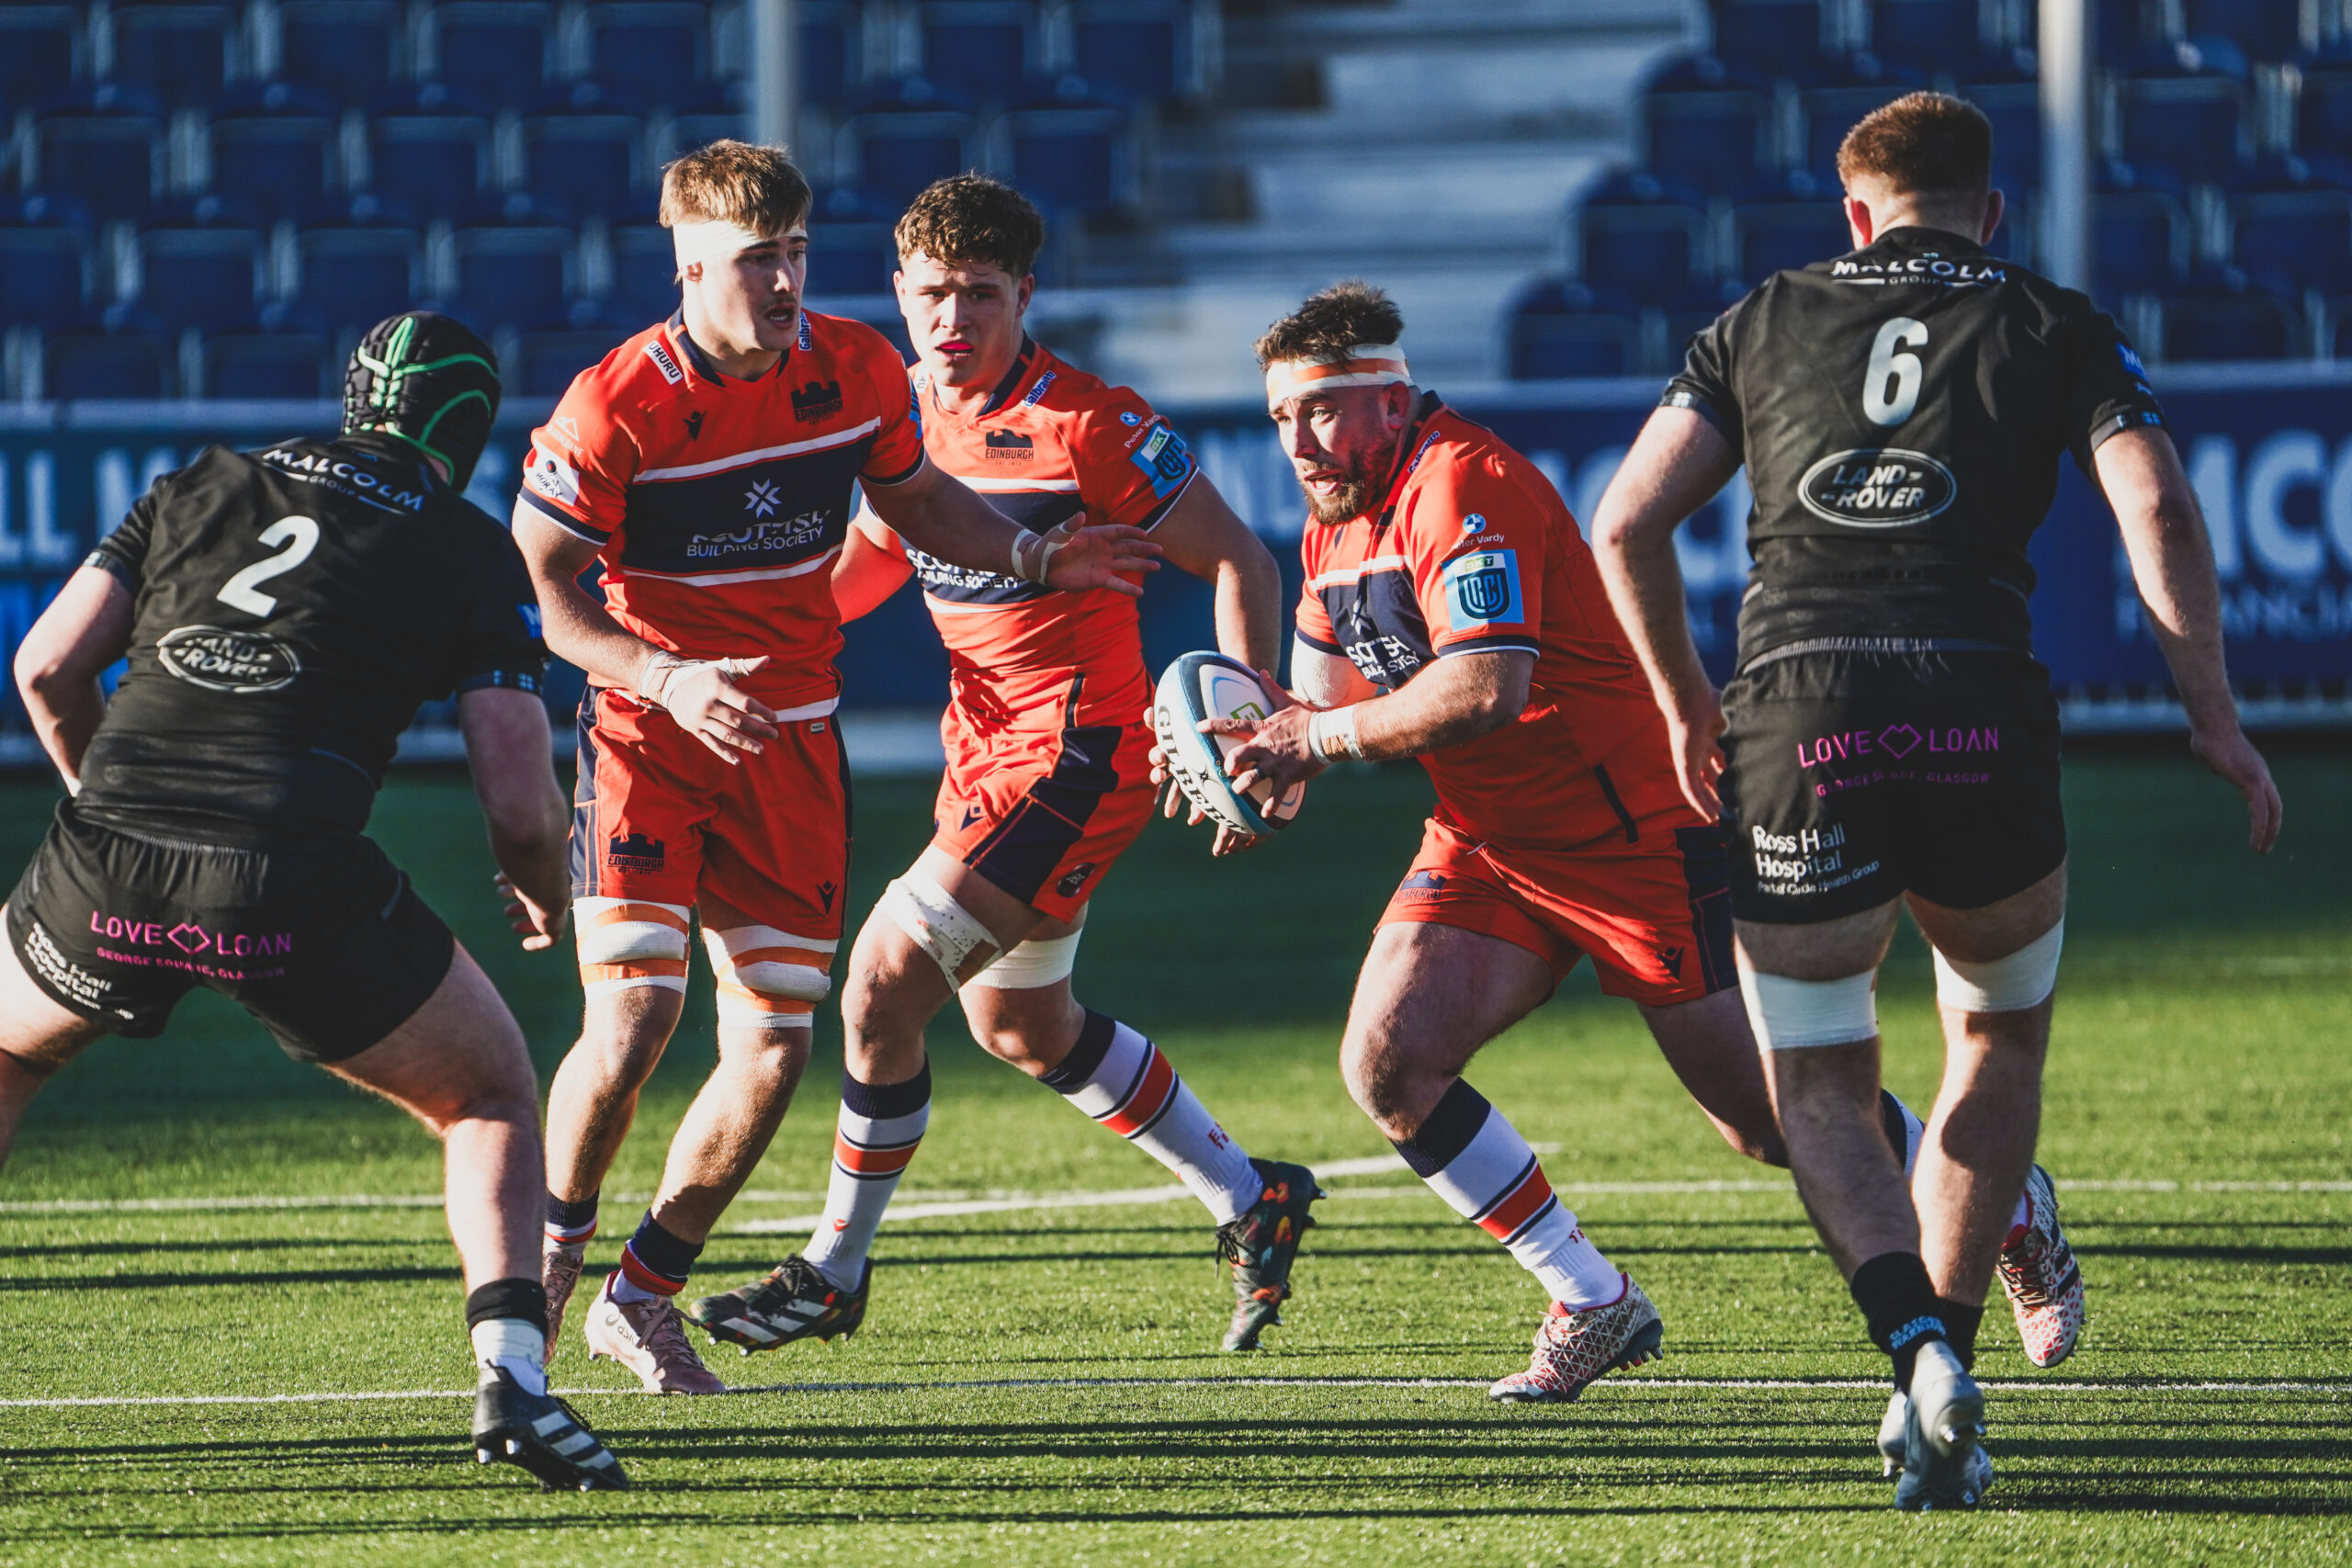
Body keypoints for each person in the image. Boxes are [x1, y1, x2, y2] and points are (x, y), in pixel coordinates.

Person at [1588, 92, 2280, 1508]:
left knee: (1821, 1078)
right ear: (1992, 211)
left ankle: (1912, 1348)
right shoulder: (2054, 319)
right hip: (1980, 704)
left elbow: (1627, 518)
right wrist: (2213, 715)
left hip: (1803, 710)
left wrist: (1682, 700)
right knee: (1996, 1036)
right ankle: (1953, 1349)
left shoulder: (1762, 315)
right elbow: (2155, 504)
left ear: (1855, 213)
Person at [1166, 280, 1940, 1404]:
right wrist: (1237, 761)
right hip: (1487, 841)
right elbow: (1319, 711)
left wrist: (1309, 740)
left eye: (1321, 408)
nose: (1298, 440)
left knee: (1771, 1126)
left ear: (1390, 397)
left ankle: (2004, 1205)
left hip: (1634, 834)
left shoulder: (1460, 482)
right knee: (1388, 1063)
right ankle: (1590, 1297)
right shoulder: (1336, 520)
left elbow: (1484, 687)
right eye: (1281, 415)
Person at [514, 142, 1159, 1393]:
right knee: (638, 1016)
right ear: (689, 267)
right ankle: (544, 1265)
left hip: (793, 743)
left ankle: (639, 1297)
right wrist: (664, 676)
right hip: (651, 736)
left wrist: (1034, 557)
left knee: (774, 1043)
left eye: (798, 253)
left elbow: (919, 504)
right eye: (758, 259)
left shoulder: (856, 368)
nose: (785, 281)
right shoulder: (616, 402)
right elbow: (543, 585)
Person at [685, 176, 1320, 1358]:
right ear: (896, 293)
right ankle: (1253, 1196)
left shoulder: (1090, 424)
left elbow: (1241, 559)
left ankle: (832, 1271)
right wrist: (729, 644)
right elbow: (870, 566)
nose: (953, 318)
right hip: (978, 755)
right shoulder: (896, 408)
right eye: (932, 293)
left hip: (1076, 757)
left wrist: (1252, 724)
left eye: (980, 294)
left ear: (1025, 295)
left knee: (877, 989)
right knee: (1020, 1023)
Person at [0, 312, 623, 1492]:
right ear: (467, 427)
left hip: (105, 858)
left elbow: (44, 667)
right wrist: (545, 896)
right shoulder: (465, 542)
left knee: (4, 1055)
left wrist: (109, 807)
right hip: (282, 877)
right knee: (488, 1093)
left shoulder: (199, 482)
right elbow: (520, 800)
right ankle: (513, 1384)